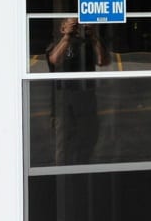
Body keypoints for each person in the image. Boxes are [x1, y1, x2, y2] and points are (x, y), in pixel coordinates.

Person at [46, 18, 108, 165]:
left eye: (77, 27)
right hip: (64, 97)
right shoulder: (56, 44)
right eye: (72, 26)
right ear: (62, 29)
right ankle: (62, 171)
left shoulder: (87, 44)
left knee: (87, 135)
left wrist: (93, 37)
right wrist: (67, 37)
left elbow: (102, 61)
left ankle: (82, 166)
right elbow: (55, 59)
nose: (76, 30)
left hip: (86, 95)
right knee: (63, 138)